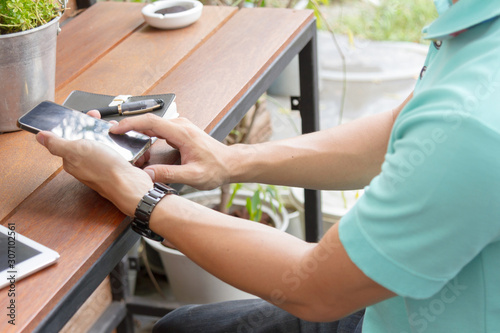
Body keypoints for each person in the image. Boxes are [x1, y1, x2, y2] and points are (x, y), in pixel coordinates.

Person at [36, 0, 500, 332]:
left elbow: (317, 287)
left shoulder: (473, 117)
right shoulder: (476, 27)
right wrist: (229, 160)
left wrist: (136, 194)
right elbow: (398, 132)